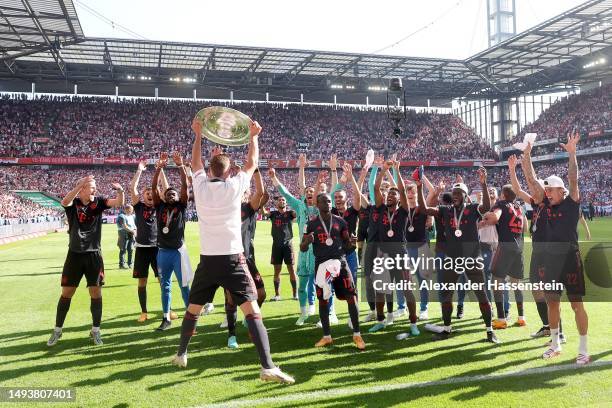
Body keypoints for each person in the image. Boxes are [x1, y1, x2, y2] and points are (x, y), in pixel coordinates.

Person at [171, 117, 294, 384]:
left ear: (211, 170)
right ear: (228, 173)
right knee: (252, 312)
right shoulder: (234, 186)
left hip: (207, 261)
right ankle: (267, 366)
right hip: (232, 260)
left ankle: (181, 353)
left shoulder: (200, 186)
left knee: (192, 310)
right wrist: (254, 136)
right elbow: (251, 163)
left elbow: (195, 164)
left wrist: (198, 135)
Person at [522, 132, 590, 365]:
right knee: (552, 301)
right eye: (547, 190)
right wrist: (527, 156)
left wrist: (572, 154)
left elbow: (573, 179)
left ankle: (583, 349)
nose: (547, 192)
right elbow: (531, 180)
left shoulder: (571, 204)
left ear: (561, 191)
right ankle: (555, 344)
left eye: (551, 190)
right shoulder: (545, 205)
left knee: (576, 304)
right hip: (550, 262)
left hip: (570, 259)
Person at [417, 167, 499, 343]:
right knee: (446, 295)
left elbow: (486, 206)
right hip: (451, 259)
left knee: (481, 295)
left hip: (472, 258)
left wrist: (483, 184)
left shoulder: (472, 208)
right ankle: (446, 328)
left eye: (458, 193)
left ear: (465, 194)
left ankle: (490, 331)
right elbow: (424, 209)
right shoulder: (445, 210)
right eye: (453, 192)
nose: (454, 195)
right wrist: (418, 187)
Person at [46, 175, 124, 347]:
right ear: (81, 189)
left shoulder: (99, 202)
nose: (95, 189)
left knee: (96, 293)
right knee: (67, 293)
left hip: (94, 254)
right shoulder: (73, 203)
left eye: (94, 187)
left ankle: (95, 330)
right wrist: (80, 183)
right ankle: (57, 330)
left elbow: (118, 203)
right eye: (91, 187)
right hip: (74, 254)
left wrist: (120, 190)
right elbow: (64, 202)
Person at [300, 193, 365, 350]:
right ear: (317, 204)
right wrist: (307, 241)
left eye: (329, 201)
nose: (328, 204)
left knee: (352, 296)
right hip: (321, 265)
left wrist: (352, 242)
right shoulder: (311, 224)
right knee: (323, 300)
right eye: (324, 201)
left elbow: (348, 246)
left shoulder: (340, 222)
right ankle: (327, 336)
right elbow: (302, 248)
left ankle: (357, 334)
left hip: (340, 263)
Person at [369, 160, 419, 336]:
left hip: (400, 254)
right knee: (380, 291)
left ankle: (413, 323)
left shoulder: (404, 211)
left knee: (407, 290)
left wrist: (397, 171)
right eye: (388, 193)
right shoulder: (381, 208)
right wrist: (383, 170)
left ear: (399, 199)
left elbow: (403, 191)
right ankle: (381, 321)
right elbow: (376, 188)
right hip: (383, 255)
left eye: (394, 194)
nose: (390, 195)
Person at [269, 163, 320, 326]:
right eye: (307, 192)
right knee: (303, 285)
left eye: (312, 192)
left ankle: (323, 312)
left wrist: (318, 184)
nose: (310, 193)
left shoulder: (320, 208)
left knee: (321, 285)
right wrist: (274, 178)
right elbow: (286, 192)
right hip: (304, 251)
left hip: (319, 252)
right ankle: (303, 312)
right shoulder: (299, 206)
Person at [223, 167, 268, 349]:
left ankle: (247, 316)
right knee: (231, 299)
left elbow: (262, 193)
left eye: (244, 192)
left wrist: (255, 170)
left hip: (248, 258)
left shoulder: (247, 209)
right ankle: (231, 336)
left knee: (262, 294)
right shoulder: (224, 209)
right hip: (229, 260)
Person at [153, 152, 191, 331]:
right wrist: (159, 168)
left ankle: (191, 317)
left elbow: (185, 185)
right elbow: (154, 188)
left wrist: (180, 166)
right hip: (162, 253)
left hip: (178, 253)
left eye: (174, 194)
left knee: (184, 286)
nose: (171, 195)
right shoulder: (159, 206)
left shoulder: (181, 206)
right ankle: (166, 318)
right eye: (168, 193)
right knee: (165, 287)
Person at [482, 184, 526, 329]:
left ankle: (501, 318)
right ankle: (521, 317)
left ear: (503, 195)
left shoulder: (501, 204)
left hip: (505, 245)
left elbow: (495, 217)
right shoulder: (519, 207)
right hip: (518, 247)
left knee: (496, 281)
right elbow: (524, 226)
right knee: (516, 284)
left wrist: (486, 218)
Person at [268, 196, 298, 301]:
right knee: (277, 271)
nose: (282, 201)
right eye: (280, 200)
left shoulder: (290, 213)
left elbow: (296, 214)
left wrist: (294, 204)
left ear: (286, 202)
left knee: (291, 270)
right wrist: (262, 201)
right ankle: (277, 295)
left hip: (288, 245)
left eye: (284, 200)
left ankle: (295, 294)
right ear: (277, 203)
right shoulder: (273, 214)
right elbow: (263, 213)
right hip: (276, 245)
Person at [117, 205, 136, 269]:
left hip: (131, 234)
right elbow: (124, 226)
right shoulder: (121, 216)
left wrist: (135, 231)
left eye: (132, 210)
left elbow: (134, 225)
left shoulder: (132, 216)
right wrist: (132, 231)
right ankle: (121, 264)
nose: (132, 211)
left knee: (131, 249)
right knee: (123, 249)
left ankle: (130, 263)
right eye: (130, 210)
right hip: (123, 234)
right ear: (126, 210)